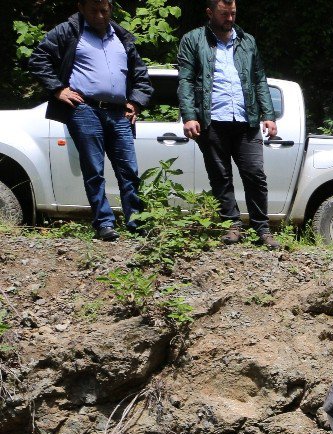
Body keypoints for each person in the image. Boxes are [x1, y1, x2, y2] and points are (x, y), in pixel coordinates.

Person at [28, 0, 152, 241]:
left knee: (129, 169)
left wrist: (135, 101)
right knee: (94, 169)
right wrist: (57, 89)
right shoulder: (68, 31)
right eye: (94, 10)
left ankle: (137, 222)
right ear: (81, 8)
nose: (100, 15)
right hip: (85, 110)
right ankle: (104, 223)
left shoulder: (122, 37)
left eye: (104, 10)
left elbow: (141, 75)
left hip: (119, 113)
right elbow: (38, 59)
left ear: (111, 9)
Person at [177, 0, 280, 249]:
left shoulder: (247, 41)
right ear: (210, 12)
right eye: (224, 14)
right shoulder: (193, 40)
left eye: (233, 13)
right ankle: (232, 226)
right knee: (220, 177)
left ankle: (262, 229)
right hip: (212, 121)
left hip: (246, 121)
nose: (230, 18)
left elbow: (258, 79)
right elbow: (186, 80)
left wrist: (269, 114)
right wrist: (189, 115)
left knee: (255, 175)